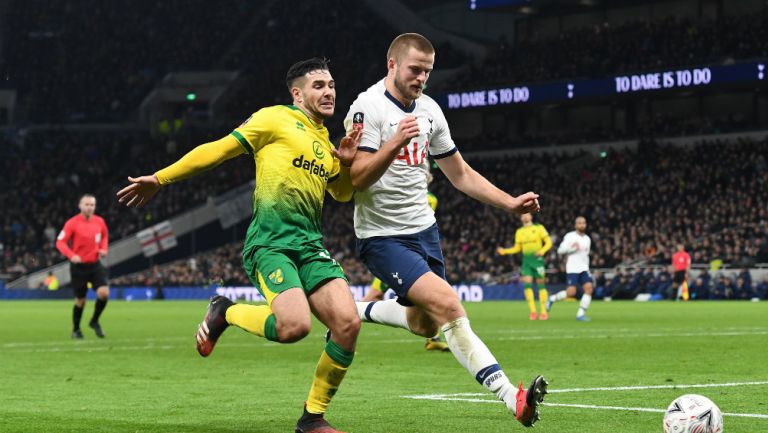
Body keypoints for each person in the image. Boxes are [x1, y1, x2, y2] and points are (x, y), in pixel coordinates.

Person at [117, 58, 362, 433]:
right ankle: (226, 311)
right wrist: (161, 179)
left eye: (331, 84)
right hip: (271, 243)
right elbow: (217, 150)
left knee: (348, 324)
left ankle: (312, 419)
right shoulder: (274, 118)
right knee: (294, 327)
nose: (329, 91)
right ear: (297, 93)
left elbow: (342, 194)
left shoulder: (324, 140)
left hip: (311, 246)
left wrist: (344, 164)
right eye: (318, 86)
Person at [344, 33, 547, 427]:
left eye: (428, 72)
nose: (421, 78)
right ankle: (512, 397)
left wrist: (509, 203)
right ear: (392, 64)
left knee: (425, 322)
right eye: (414, 69)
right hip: (382, 237)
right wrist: (393, 143)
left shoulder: (432, 111)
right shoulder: (367, 107)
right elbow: (357, 179)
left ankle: (350, 310)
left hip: (424, 231)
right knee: (451, 306)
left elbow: (460, 174)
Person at [362, 171, 449, 352]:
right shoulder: (428, 198)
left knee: (431, 296)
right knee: (375, 295)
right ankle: (342, 327)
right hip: (399, 252)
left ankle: (433, 338)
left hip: (406, 250)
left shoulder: (426, 198)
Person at [55, 194, 110, 339]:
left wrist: (104, 249)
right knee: (81, 300)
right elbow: (60, 242)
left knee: (104, 293)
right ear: (80, 206)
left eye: (92, 205)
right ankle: (76, 329)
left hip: (95, 264)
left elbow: (104, 236)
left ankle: (94, 320)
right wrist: (71, 254)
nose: (89, 207)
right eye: (86, 204)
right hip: (79, 267)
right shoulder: (72, 223)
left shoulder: (99, 222)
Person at [497, 213, 552, 321]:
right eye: (523, 215)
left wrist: (542, 251)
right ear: (521, 218)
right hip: (526, 261)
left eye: (527, 214)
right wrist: (505, 251)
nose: (525, 216)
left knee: (541, 285)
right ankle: (533, 312)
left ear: (531, 216)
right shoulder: (519, 231)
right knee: (527, 285)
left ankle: (544, 311)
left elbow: (549, 242)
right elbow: (517, 248)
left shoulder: (539, 228)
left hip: (537, 260)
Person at [547, 216, 593, 321]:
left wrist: (587, 266)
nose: (582, 225)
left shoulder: (587, 239)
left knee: (589, 289)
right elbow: (560, 250)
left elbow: (586, 254)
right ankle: (552, 299)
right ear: (576, 225)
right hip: (572, 268)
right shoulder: (570, 236)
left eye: (584, 223)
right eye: (580, 223)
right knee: (571, 292)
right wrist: (572, 248)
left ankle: (580, 314)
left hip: (584, 268)